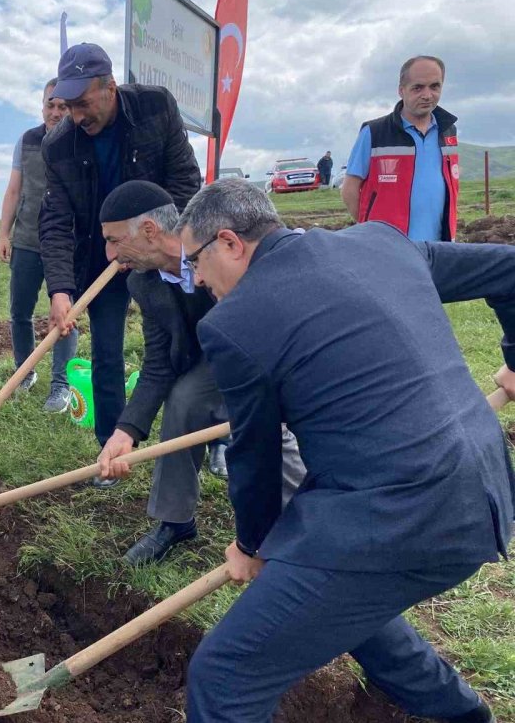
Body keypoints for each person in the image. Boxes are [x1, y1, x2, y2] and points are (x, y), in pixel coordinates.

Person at [171, 179, 508, 723]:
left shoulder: (233, 324)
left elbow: (254, 455)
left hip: (400, 513)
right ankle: (464, 716)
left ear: (229, 242)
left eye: (196, 262)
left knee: (226, 674)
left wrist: (253, 545)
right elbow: (510, 269)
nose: (199, 280)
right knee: (343, 603)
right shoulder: (380, 242)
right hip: (485, 492)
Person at [96, 180, 305, 565]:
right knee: (184, 400)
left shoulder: (219, 250)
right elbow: (158, 362)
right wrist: (126, 431)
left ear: (148, 231)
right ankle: (175, 522)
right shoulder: (142, 283)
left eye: (114, 240)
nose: (110, 255)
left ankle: (305, 525)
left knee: (269, 430)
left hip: (261, 349)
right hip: (210, 361)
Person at [39, 42, 202, 481]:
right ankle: (110, 453)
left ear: (109, 87)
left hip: (160, 246)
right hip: (102, 255)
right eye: (66, 106)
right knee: (107, 352)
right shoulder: (58, 146)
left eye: (82, 104)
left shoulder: (154, 108)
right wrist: (60, 287)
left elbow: (185, 178)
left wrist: (170, 245)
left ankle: (215, 436)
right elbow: (55, 220)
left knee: (189, 338)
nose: (75, 116)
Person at [0, 78, 78, 412]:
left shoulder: (77, 139)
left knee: (64, 315)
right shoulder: (27, 141)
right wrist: (4, 233)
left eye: (62, 106)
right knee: (19, 312)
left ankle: (61, 384)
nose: (55, 112)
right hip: (27, 239)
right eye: (50, 105)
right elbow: (14, 189)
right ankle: (24, 372)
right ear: (42, 105)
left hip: (65, 243)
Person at [341, 55, 459, 242]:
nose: (427, 95)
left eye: (435, 86)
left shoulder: (448, 132)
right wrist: (370, 232)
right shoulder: (374, 133)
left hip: (439, 248)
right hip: (389, 250)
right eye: (418, 87)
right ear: (401, 90)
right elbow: (349, 190)